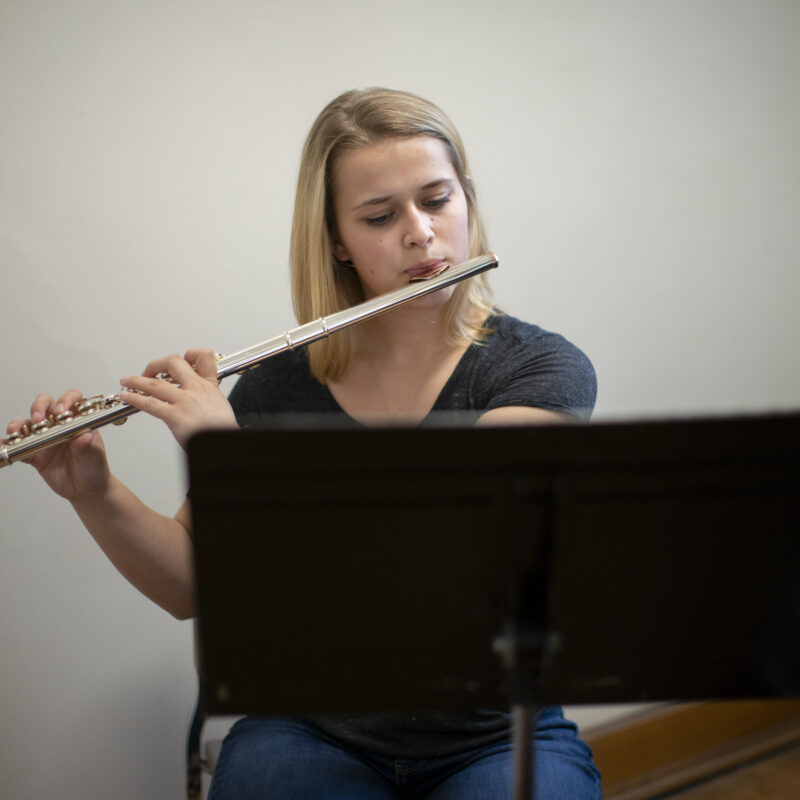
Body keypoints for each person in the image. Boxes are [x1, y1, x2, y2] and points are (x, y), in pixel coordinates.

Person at [6, 88, 600, 798]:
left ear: (467, 201)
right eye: (381, 216)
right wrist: (95, 494)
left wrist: (248, 468)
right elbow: (192, 584)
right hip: (314, 725)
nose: (420, 233)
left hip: (497, 731)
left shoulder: (539, 371)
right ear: (337, 241)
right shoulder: (272, 391)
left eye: (437, 200)